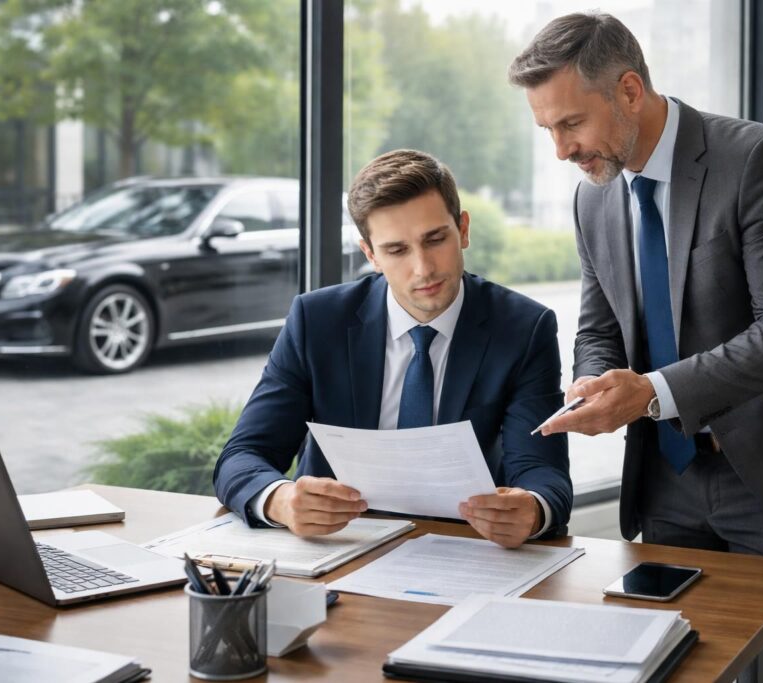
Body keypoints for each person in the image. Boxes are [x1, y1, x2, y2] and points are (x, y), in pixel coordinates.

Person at [509, 12, 763, 682]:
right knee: (676, 668)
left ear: (629, 91)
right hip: (671, 479)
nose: (560, 150)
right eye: (547, 129)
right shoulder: (593, 201)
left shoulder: (759, 161)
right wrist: (596, 381)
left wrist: (651, 394)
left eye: (571, 123)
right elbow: (599, 326)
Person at [213, 149, 572, 549]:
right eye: (397, 250)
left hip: (464, 549)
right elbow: (242, 456)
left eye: (435, 239)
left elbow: (543, 473)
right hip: (341, 548)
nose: (423, 269)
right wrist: (280, 500)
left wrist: (532, 510)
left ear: (463, 229)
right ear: (371, 255)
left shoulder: (523, 328)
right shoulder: (317, 321)